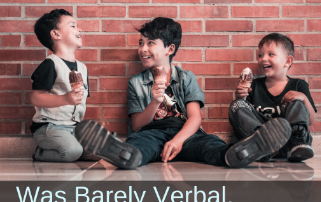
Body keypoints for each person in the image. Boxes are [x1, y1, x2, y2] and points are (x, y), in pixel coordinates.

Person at [75, 18, 292, 169]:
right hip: (152, 132)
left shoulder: (186, 77)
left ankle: (238, 153)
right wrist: (154, 101)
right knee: (140, 146)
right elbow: (139, 125)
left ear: (169, 49)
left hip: (187, 132)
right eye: (141, 43)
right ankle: (124, 155)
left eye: (150, 43)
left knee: (210, 145)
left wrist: (178, 140)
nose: (143, 49)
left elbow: (195, 118)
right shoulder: (137, 83)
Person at [229, 33, 317, 162]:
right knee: (236, 105)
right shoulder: (255, 85)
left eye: (271, 54)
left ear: (287, 61)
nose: (263, 58)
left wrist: (303, 97)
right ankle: (259, 143)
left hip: (288, 142)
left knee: (297, 102)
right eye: (260, 55)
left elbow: (311, 120)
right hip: (263, 144)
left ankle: (297, 143)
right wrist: (240, 98)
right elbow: (243, 116)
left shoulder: (298, 85)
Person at [31, 9, 95, 162]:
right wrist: (66, 99)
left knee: (97, 153)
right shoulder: (50, 64)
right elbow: (36, 98)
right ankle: (40, 153)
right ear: (56, 34)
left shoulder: (82, 68)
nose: (79, 29)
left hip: (74, 128)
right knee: (72, 152)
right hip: (50, 127)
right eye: (73, 26)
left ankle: (76, 150)